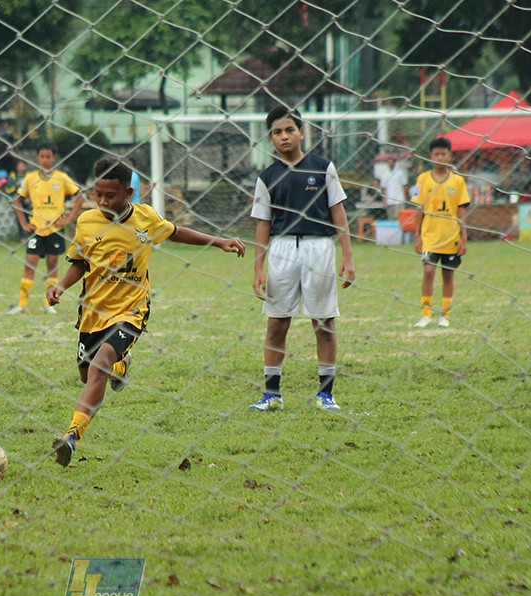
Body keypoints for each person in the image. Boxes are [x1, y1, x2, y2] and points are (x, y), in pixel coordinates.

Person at [47, 158, 245, 466]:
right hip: (93, 312)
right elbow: (79, 262)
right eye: (97, 194)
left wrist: (218, 241)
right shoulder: (86, 221)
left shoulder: (145, 219)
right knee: (87, 374)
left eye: (109, 196)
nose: (102, 201)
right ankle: (122, 366)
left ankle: (71, 437)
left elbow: (177, 232)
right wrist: (60, 286)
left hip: (131, 309)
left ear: (128, 192)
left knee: (99, 367)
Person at [249, 106, 355, 413]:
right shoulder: (266, 177)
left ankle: (326, 394)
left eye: (289, 130)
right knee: (277, 322)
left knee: (323, 321)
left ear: (302, 132)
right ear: (270, 138)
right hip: (282, 250)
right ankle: (272, 394)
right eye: (277, 132)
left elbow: (338, 211)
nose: (284, 137)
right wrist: (258, 266)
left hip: (319, 248)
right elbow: (263, 224)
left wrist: (347, 254)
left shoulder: (324, 168)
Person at [9, 142, 85, 315]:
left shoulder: (61, 177)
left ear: (54, 158)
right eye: (41, 157)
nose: (44, 160)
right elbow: (17, 200)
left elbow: (80, 196)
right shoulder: (30, 178)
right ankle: (22, 305)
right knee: (29, 264)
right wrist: (23, 223)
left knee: (52, 265)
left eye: (48, 157)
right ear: (37, 158)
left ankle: (48, 304)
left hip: (55, 229)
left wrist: (69, 218)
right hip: (36, 228)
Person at [411, 137, 470, 328]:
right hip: (429, 237)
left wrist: (464, 237)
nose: (440, 157)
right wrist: (417, 235)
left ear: (450, 156)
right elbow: (418, 209)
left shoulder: (458, 181)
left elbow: (462, 211)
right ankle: (425, 314)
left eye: (444, 154)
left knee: (448, 275)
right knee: (428, 271)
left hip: (451, 237)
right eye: (436, 154)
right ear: (431, 156)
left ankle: (445, 315)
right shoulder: (423, 179)